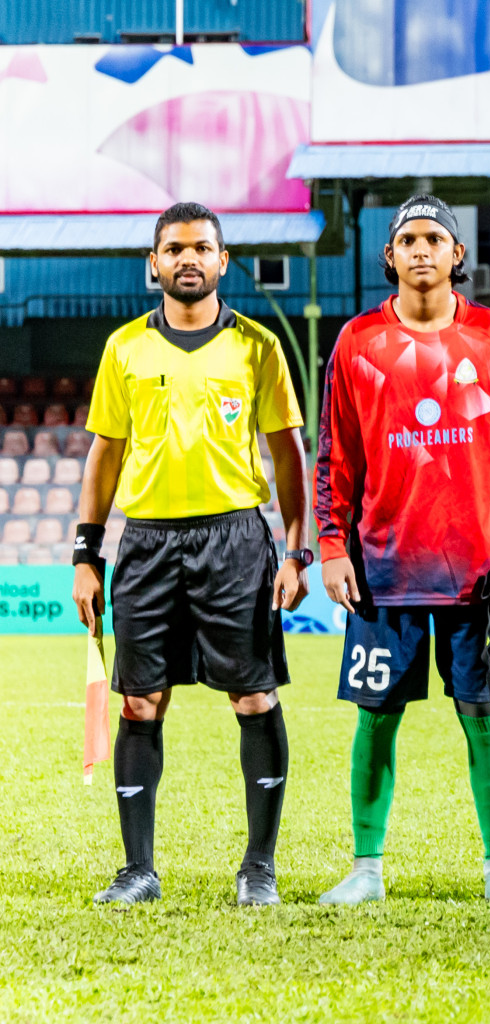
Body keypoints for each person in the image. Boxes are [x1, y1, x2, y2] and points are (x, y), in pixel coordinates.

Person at [72, 202, 309, 906]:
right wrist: (87, 553)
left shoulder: (259, 347)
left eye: (201, 247)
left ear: (223, 261)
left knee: (253, 695)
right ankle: (138, 870)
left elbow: (288, 455)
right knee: (141, 702)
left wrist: (297, 549)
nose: (188, 258)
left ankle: (258, 867)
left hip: (235, 539)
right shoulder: (124, 349)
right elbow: (103, 454)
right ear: (154, 263)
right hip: (145, 544)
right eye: (174, 248)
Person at [312, 195, 490, 906]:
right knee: (375, 719)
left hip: (476, 574)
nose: (420, 250)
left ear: (456, 255)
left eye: (434, 238)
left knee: (484, 715)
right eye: (408, 239)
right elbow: (335, 456)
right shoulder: (355, 342)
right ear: (390, 256)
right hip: (385, 570)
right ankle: (366, 868)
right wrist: (330, 543)